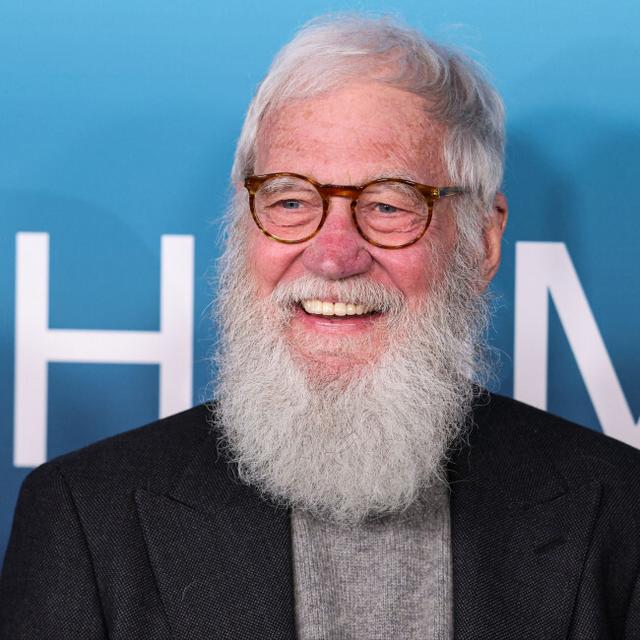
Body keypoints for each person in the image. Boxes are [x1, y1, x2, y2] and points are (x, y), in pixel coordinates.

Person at [1, 14, 639, 640]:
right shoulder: (86, 518)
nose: (333, 256)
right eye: (290, 201)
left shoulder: (621, 511)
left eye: (388, 204)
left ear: (483, 242)